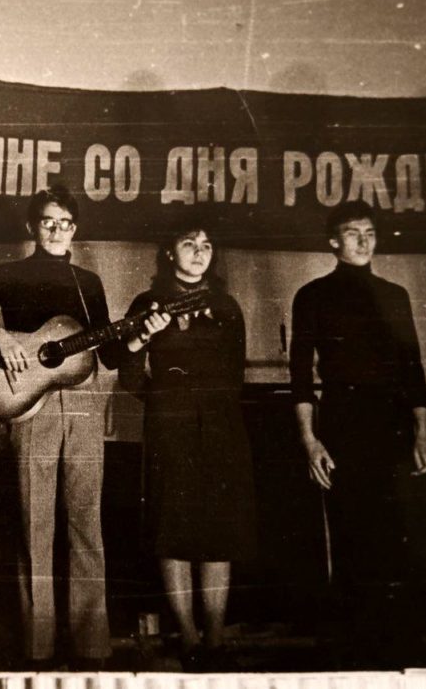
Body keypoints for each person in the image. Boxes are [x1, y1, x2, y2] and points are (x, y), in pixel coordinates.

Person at [290, 199, 426, 668]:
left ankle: (398, 647)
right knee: (351, 534)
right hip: (342, 424)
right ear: (333, 241)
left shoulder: (395, 296)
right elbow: (299, 375)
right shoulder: (312, 296)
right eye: (353, 233)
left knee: (393, 535)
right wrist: (310, 440)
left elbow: (413, 369)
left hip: (391, 426)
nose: (363, 241)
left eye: (370, 233)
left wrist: (422, 434)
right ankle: (354, 651)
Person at [0, 185, 119, 669]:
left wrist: (140, 334)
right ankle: (37, 646)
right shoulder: (8, 274)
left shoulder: (88, 282)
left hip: (83, 404)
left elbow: (110, 351)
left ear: (75, 228)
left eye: (65, 223)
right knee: (33, 523)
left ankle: (91, 645)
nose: (57, 230)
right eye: (48, 221)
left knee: (86, 521)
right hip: (29, 402)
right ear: (31, 226)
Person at [119, 220, 255, 668]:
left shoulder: (226, 306)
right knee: (172, 530)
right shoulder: (147, 304)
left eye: (207, 245)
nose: (199, 252)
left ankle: (215, 638)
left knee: (219, 532)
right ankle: (190, 638)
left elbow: (235, 376)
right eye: (189, 243)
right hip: (169, 429)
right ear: (169, 252)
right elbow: (129, 378)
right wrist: (147, 342)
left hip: (220, 429)